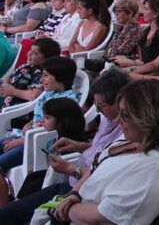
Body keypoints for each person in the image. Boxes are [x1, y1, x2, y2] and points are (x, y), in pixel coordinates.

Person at [50, 79, 159, 224]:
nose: (117, 120)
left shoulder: (150, 170)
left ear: (148, 119)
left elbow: (103, 218)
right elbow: (96, 166)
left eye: (124, 115)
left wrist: (67, 209)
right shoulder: (139, 137)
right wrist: (75, 194)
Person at [0, 69, 128, 224]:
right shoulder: (109, 119)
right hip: (73, 185)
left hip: (80, 191)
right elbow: (99, 150)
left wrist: (71, 171)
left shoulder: (127, 134)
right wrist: (80, 146)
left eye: (102, 106)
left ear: (120, 102)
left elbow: (102, 175)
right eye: (96, 105)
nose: (99, 110)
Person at [0, 56, 79, 172]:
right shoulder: (49, 93)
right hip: (25, 136)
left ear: (59, 77)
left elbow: (49, 129)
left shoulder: (66, 101)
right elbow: (40, 117)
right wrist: (30, 123)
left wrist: (19, 141)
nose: (41, 80)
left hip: (37, 145)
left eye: (46, 76)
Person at [1, 37, 60, 110]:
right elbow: (9, 79)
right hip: (5, 104)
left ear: (46, 59)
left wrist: (13, 91)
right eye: (30, 50)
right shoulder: (26, 66)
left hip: (19, 111)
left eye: (35, 53)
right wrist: (6, 86)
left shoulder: (42, 74)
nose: (29, 54)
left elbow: (34, 95)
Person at [83, 0, 141, 73]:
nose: (116, 14)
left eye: (119, 11)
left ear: (130, 13)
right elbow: (110, 46)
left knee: (86, 65)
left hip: (123, 60)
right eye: (115, 12)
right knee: (84, 64)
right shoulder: (120, 27)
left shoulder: (134, 28)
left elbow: (124, 50)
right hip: (110, 58)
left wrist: (109, 53)